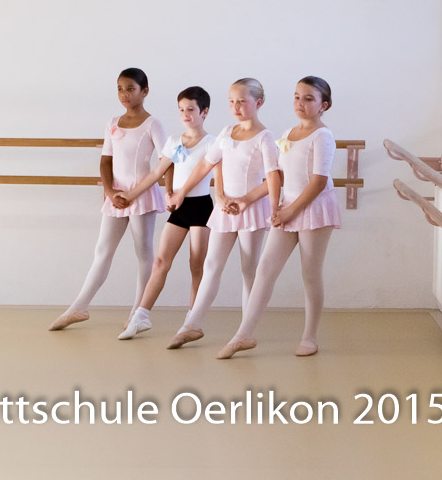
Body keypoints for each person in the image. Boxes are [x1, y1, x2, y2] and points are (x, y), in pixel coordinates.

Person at [217, 76, 341, 359]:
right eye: (297, 97)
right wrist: (249, 199)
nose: (300, 103)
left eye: (308, 99)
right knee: (265, 269)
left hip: (314, 209)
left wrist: (290, 210)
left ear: (324, 105)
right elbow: (279, 176)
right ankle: (244, 334)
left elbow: (318, 181)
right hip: (288, 209)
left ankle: (309, 337)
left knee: (310, 273)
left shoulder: (323, 136)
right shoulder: (288, 133)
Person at [165, 78, 281, 349]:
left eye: (242, 101)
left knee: (249, 270)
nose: (235, 107)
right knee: (211, 265)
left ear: (258, 103)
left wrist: (256, 204)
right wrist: (195, 193)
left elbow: (274, 178)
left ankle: (245, 331)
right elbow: (207, 165)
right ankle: (192, 325)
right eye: (231, 101)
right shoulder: (227, 132)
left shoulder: (265, 138)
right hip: (225, 209)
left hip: (250, 210)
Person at [48, 68, 167, 331]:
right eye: (120, 89)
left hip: (141, 196)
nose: (124, 94)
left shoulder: (153, 124)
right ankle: (79, 307)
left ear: (145, 91)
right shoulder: (113, 122)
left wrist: (165, 191)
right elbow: (105, 161)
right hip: (116, 196)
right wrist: (111, 192)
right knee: (102, 251)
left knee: (143, 253)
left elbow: (165, 162)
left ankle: (138, 312)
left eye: (130, 89)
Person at [116, 86, 219, 340]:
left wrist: (180, 192)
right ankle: (141, 316)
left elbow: (204, 174)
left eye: (191, 109)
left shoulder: (212, 143)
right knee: (160, 262)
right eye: (181, 110)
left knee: (197, 265)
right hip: (179, 208)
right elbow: (158, 171)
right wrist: (137, 194)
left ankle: (192, 321)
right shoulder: (174, 140)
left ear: (204, 112)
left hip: (201, 207)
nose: (185, 114)